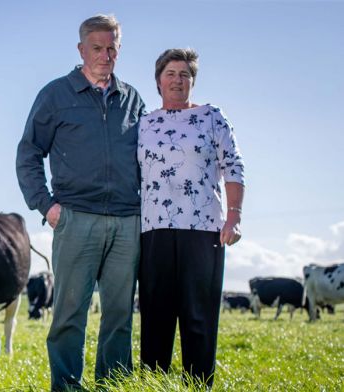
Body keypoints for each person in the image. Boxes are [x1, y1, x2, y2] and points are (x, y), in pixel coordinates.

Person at [16, 14, 145, 391]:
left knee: (119, 316)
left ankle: (112, 385)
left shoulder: (132, 97)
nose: (105, 56)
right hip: (75, 218)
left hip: (126, 221)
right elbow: (28, 152)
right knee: (70, 313)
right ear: (81, 49)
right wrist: (46, 205)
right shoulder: (56, 94)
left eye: (112, 49)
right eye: (97, 49)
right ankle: (68, 387)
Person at [137, 48, 245, 387]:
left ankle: (198, 384)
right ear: (158, 81)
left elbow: (234, 166)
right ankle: (154, 383)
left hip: (203, 230)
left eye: (185, 74)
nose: (177, 80)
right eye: (170, 73)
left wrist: (234, 216)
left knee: (198, 314)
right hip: (154, 229)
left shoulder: (212, 117)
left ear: (192, 81)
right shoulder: (143, 123)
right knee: (155, 314)